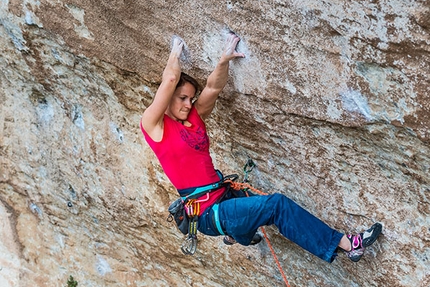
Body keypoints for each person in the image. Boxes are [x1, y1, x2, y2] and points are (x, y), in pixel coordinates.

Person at [140, 34, 382, 262]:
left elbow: (213, 88)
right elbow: (171, 79)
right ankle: (349, 244)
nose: (187, 104)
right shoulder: (154, 127)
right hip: (207, 213)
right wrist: (174, 52)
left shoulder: (193, 119)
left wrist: (224, 59)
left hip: (223, 195)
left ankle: (239, 234)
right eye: (181, 98)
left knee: (257, 205)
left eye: (190, 98)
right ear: (167, 97)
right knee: (276, 205)